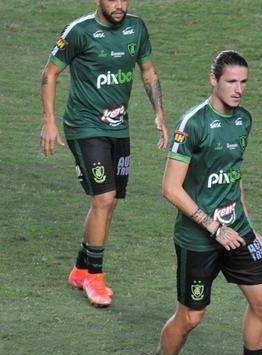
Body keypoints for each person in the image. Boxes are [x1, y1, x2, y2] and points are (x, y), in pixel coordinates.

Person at [143, 50, 262, 355]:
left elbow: (231, 177)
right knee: (191, 317)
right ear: (214, 80)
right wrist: (213, 226)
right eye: (231, 81)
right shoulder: (193, 124)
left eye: (244, 82)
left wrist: (250, 228)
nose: (239, 89)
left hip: (237, 230)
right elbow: (171, 189)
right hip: (200, 239)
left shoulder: (243, 121)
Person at [41, 0, 168, 307]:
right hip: (84, 127)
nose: (120, 5)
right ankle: (94, 278)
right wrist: (49, 122)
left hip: (118, 127)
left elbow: (148, 73)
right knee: (104, 198)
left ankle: (81, 268)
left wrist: (160, 114)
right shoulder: (79, 32)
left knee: (109, 203)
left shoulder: (136, 28)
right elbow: (50, 73)